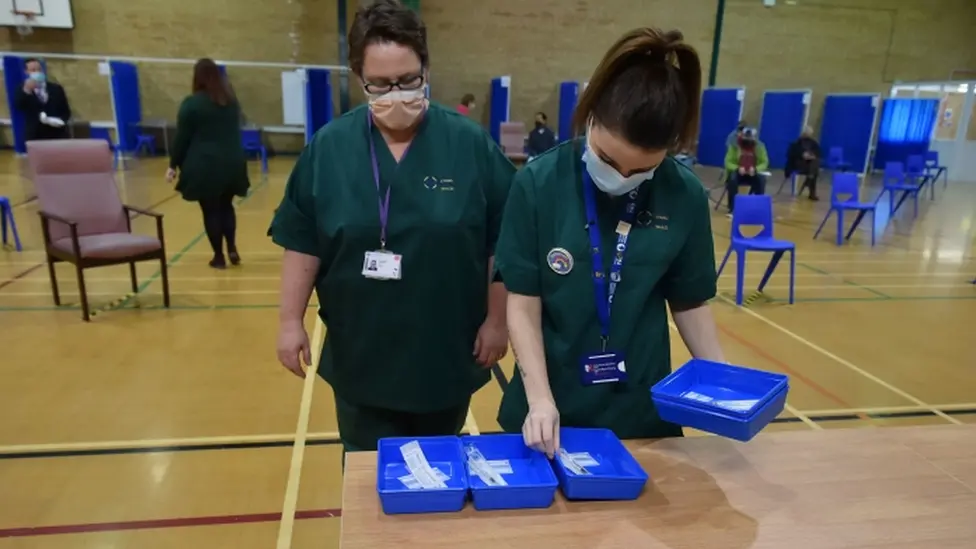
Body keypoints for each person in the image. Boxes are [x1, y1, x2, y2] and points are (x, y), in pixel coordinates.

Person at [269, 0, 514, 453]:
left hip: (445, 351)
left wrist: (498, 322)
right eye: (380, 84)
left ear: (426, 69)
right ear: (358, 79)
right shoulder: (330, 149)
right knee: (369, 483)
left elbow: (504, 240)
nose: (396, 94)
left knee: (439, 475)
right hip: (364, 353)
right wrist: (289, 321)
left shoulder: (469, 146)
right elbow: (303, 240)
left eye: (408, 80)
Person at [493, 27, 725, 457]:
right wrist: (540, 399)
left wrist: (721, 378)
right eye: (607, 159)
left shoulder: (685, 195)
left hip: (641, 409)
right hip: (552, 408)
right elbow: (523, 302)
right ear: (591, 114)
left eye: (640, 170)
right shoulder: (537, 184)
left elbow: (690, 301)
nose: (620, 177)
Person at [166, 58, 250, 269]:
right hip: (233, 163)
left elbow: (182, 138)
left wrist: (173, 165)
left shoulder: (192, 104)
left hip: (205, 166)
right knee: (226, 206)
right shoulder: (231, 102)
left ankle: (218, 257)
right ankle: (232, 249)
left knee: (211, 211)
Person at [15, 58, 71, 141]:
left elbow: (66, 111)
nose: (37, 72)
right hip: (35, 135)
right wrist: (27, 91)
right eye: (33, 70)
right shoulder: (21, 89)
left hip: (58, 134)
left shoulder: (56, 88)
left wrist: (60, 121)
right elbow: (19, 106)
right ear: (26, 72)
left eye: (39, 69)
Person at [723, 127, 768, 215]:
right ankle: (732, 207)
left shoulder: (760, 146)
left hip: (752, 173)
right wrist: (737, 168)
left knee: (761, 180)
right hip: (738, 173)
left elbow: (765, 162)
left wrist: (755, 169)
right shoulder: (734, 146)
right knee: (732, 179)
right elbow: (728, 162)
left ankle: (757, 207)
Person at [785, 126, 821, 201]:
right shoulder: (796, 143)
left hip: (809, 165)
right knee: (814, 169)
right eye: (806, 133)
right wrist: (802, 155)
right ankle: (811, 190)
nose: (807, 135)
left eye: (809, 134)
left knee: (814, 162)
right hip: (798, 164)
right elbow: (791, 155)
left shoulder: (814, 143)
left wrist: (812, 156)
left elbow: (818, 153)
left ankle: (810, 177)